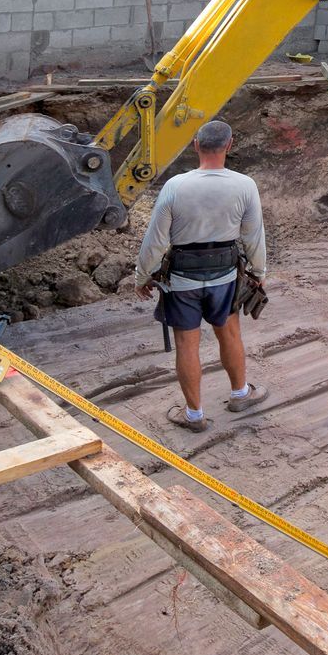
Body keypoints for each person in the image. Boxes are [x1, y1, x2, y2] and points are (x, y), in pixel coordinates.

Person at [133, 119, 268, 432]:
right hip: (224, 277)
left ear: (196, 145)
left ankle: (194, 415)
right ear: (229, 146)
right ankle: (240, 394)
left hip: (182, 280)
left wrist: (143, 277)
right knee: (230, 333)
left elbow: (154, 241)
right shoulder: (244, 185)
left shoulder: (175, 186)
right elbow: (254, 236)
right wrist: (259, 273)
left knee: (186, 345)